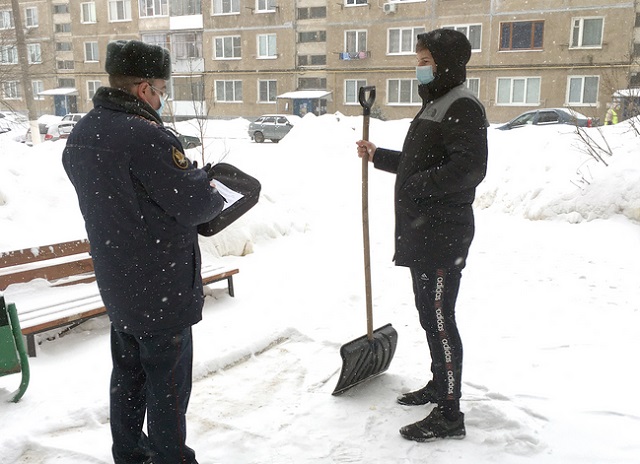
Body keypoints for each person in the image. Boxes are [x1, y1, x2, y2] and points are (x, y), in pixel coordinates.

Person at [62, 40, 225, 464]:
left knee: (128, 377)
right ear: (143, 88)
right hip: (161, 284)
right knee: (168, 384)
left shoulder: (83, 133)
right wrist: (204, 186)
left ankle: (130, 454)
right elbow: (196, 206)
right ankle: (171, 457)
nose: (162, 95)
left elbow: (124, 197)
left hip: (118, 280)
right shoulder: (146, 137)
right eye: (161, 87)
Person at [356, 29, 488, 442]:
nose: (420, 66)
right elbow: (421, 163)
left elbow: (469, 169)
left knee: (440, 319)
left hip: (442, 235)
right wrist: (380, 157)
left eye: (426, 60)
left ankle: (450, 413)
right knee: (429, 315)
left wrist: (416, 187)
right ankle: (439, 384)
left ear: (445, 64)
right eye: (419, 59)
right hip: (425, 233)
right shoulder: (436, 105)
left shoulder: (461, 106)